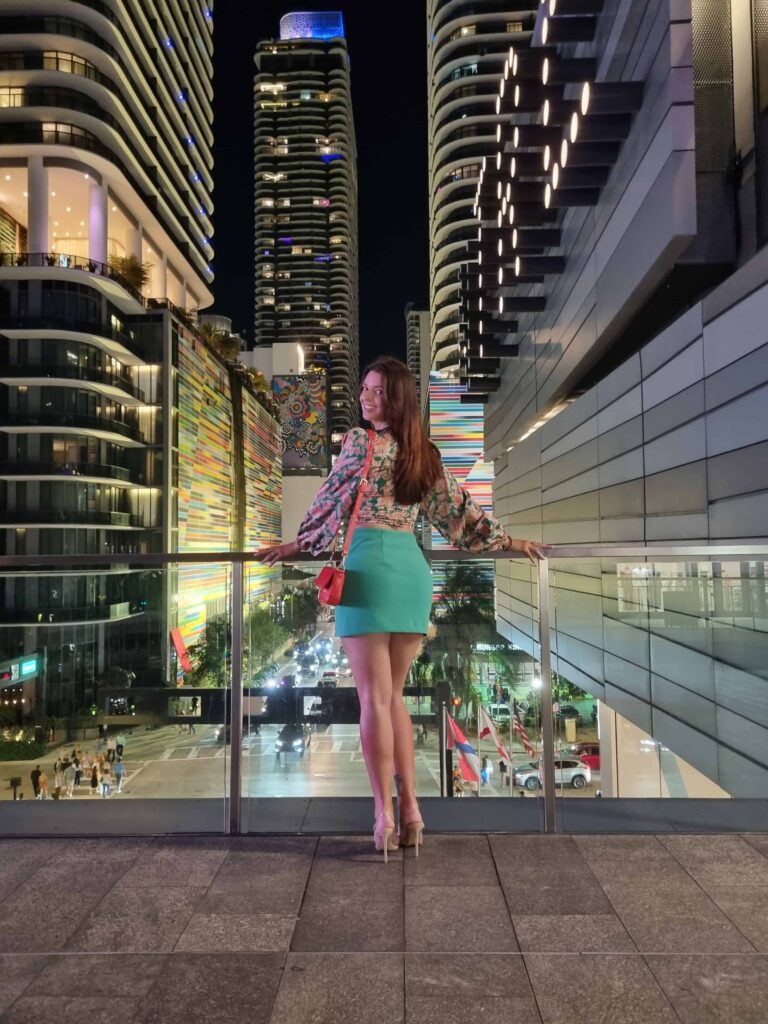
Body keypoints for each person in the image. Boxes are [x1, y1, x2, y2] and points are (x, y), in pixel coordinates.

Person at [255, 356, 543, 861]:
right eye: (364, 389)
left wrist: (295, 546)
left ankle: (381, 812)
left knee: (373, 700)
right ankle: (411, 810)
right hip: (411, 573)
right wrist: (509, 541)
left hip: (366, 572)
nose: (366, 399)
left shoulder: (360, 445)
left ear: (396, 400)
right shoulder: (423, 453)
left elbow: (328, 504)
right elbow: (461, 513)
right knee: (395, 700)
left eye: (376, 392)